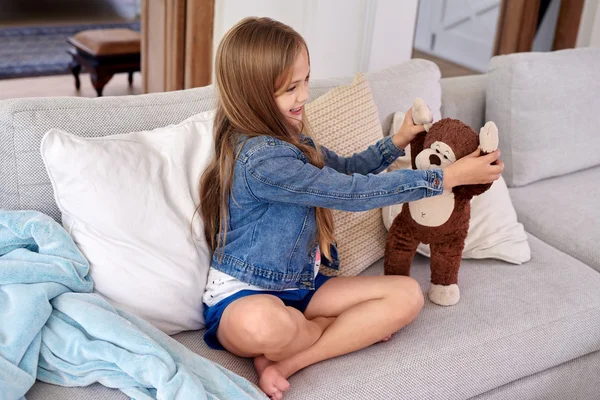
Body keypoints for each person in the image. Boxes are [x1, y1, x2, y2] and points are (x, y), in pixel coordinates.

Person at [198, 17, 503, 400]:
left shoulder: (292, 138)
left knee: (407, 295)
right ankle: (325, 329)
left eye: (306, 80)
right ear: (251, 94)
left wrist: (397, 142)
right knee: (265, 324)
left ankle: (289, 361)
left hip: (301, 286)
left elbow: (345, 169)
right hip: (243, 294)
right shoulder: (260, 161)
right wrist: (446, 178)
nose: (304, 96)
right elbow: (351, 192)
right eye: (291, 88)